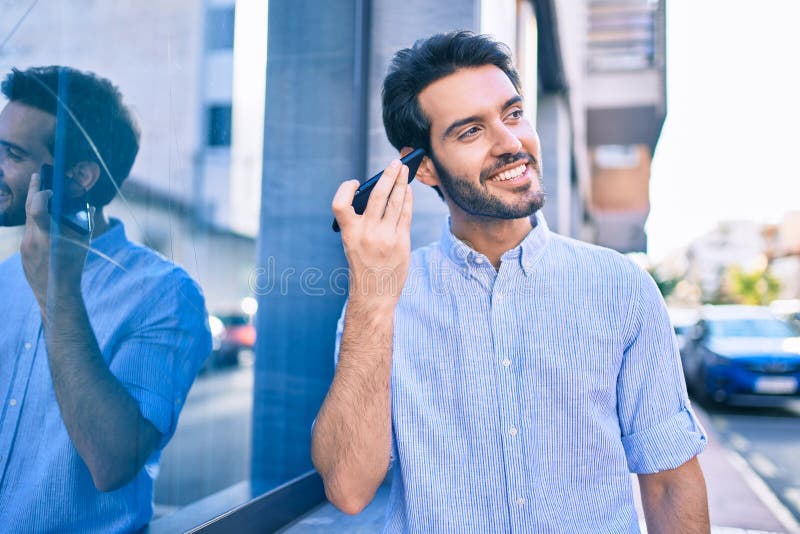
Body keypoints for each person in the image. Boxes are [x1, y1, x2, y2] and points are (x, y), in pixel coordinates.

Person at [311, 31, 709, 532]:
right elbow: (347, 488)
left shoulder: (620, 287)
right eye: (471, 131)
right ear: (425, 168)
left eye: (513, 114)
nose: (511, 143)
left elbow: (671, 480)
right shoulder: (383, 301)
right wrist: (372, 295)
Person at [0, 66, 211, 532]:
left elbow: (113, 461)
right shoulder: (4, 278)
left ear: (78, 178)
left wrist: (57, 292)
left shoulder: (166, 296)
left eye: (11, 153)